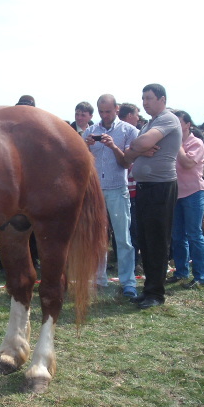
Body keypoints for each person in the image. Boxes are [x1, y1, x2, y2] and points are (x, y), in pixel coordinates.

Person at [124, 84, 182, 309]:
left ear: (162, 99)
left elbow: (139, 144)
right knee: (146, 241)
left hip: (161, 186)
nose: (145, 102)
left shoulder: (167, 119)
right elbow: (129, 154)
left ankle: (156, 294)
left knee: (157, 240)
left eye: (149, 98)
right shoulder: (150, 123)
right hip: (146, 186)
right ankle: (148, 289)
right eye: (143, 98)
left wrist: (139, 147)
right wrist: (138, 148)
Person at [83, 94, 138, 298]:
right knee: (97, 237)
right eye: (101, 111)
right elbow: (82, 163)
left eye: (108, 111)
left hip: (117, 189)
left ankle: (128, 282)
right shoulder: (90, 131)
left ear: (117, 108)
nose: (105, 115)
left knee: (123, 238)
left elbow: (126, 163)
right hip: (96, 191)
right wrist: (87, 146)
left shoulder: (129, 130)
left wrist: (113, 146)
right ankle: (98, 278)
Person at [166, 111, 204, 288]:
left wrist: (177, 144)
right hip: (176, 194)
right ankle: (181, 272)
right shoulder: (172, 143)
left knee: (194, 234)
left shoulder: (196, 143)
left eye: (179, 121)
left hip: (193, 193)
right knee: (177, 236)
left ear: (187, 124)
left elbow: (187, 163)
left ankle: (201, 276)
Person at [119, 103, 142, 273]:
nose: (138, 118)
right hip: (127, 188)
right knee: (129, 229)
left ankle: (131, 263)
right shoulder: (126, 135)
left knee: (129, 229)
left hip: (131, 188)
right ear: (128, 116)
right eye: (136, 114)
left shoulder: (133, 134)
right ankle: (130, 264)